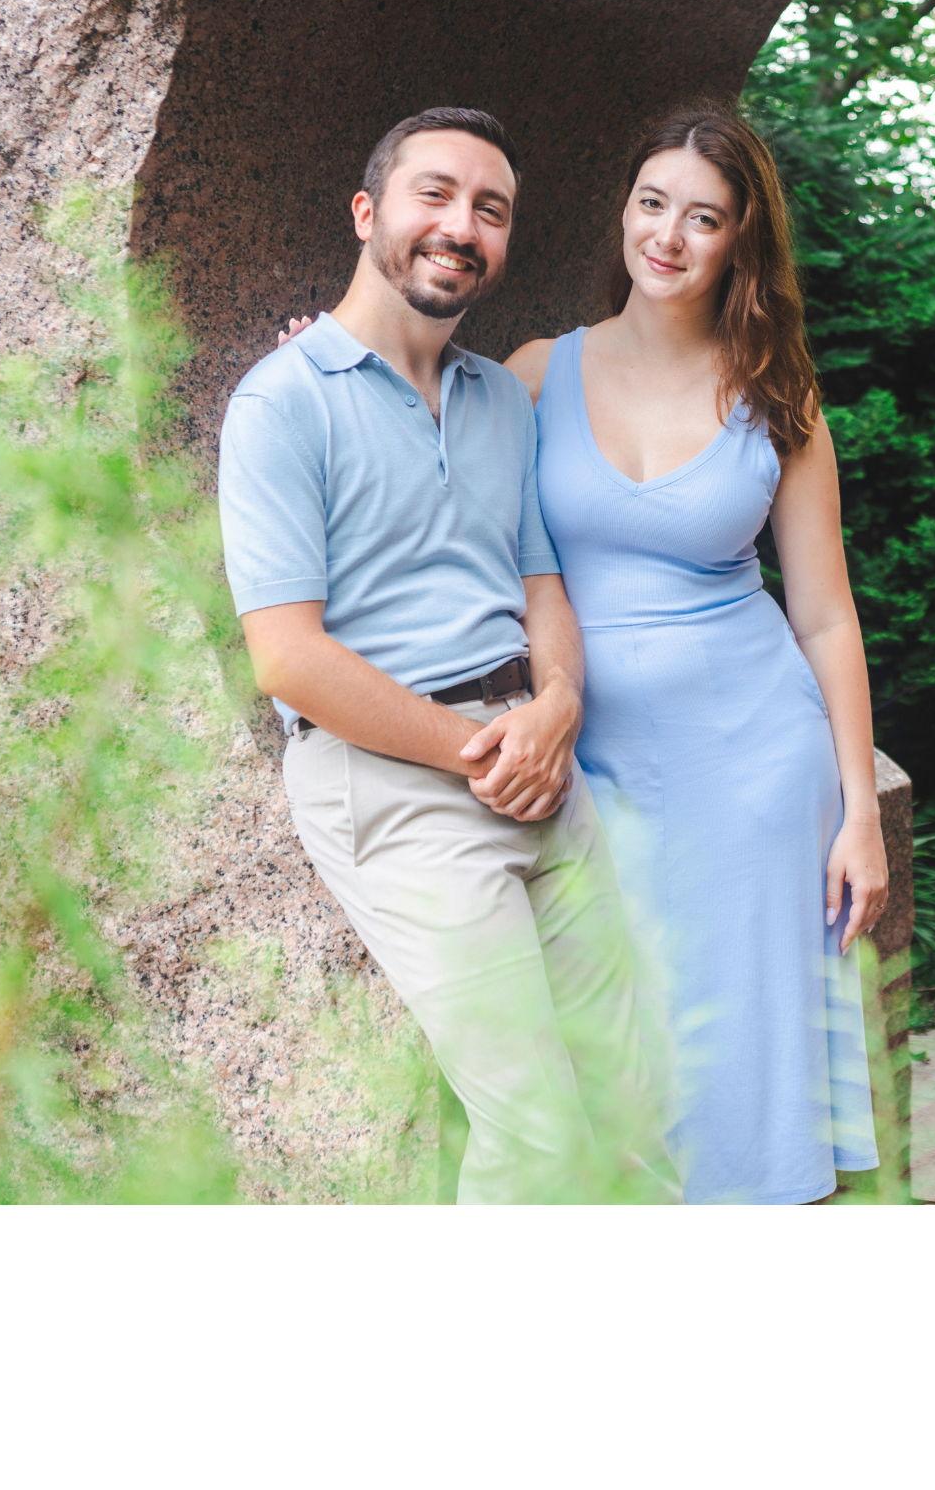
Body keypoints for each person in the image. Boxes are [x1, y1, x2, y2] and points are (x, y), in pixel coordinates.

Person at [218, 105, 675, 1204]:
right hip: (395, 784)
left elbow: (540, 588)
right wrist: (482, 747)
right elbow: (285, 655)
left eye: (490, 209)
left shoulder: (495, 403)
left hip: (534, 764)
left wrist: (557, 701)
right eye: (435, 193)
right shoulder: (280, 404)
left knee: (634, 1112)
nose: (460, 224)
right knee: (536, 1135)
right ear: (369, 211)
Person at [503, 102, 886, 1204]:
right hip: (592, 760)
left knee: (743, 1060)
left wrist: (858, 810)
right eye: (651, 202)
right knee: (625, 1042)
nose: (667, 235)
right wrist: (319, 356)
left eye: (703, 217)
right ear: (622, 209)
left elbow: (824, 616)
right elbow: (407, 432)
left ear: (739, 243)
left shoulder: (778, 396)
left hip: (754, 765)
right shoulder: (534, 371)